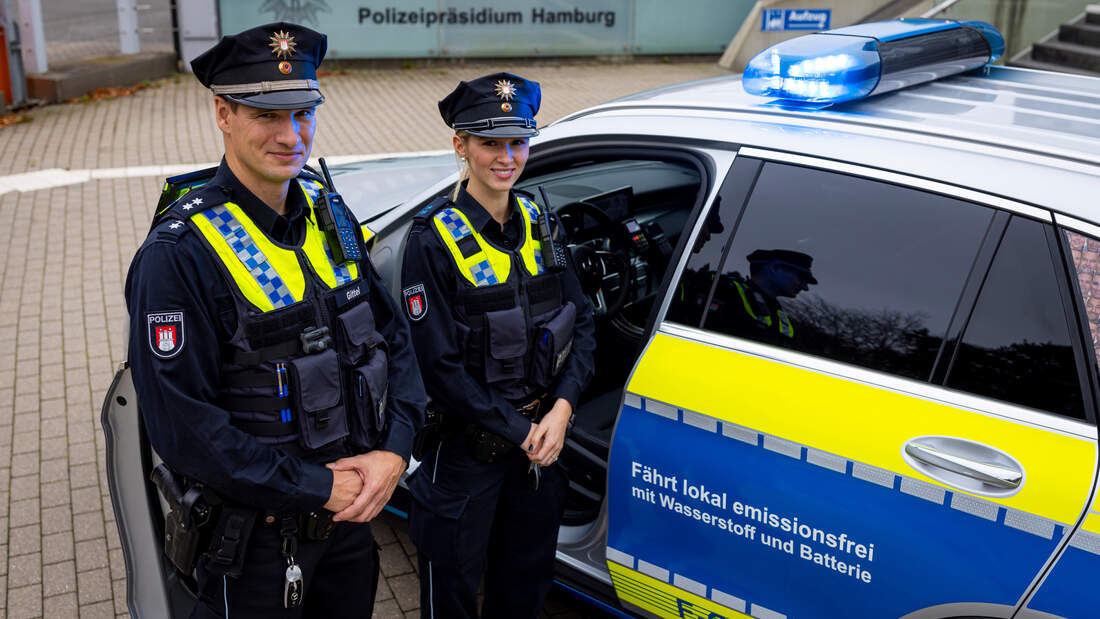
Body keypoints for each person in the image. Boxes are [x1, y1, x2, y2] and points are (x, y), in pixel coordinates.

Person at [124, 22, 426, 618]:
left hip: (349, 524)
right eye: (267, 115)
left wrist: (395, 451)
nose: (292, 136)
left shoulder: (329, 216)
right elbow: (183, 429)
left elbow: (394, 342)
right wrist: (319, 487)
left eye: (304, 112)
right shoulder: (178, 254)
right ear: (223, 114)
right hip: (256, 545)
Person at [401, 72, 596, 618]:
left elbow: (580, 324)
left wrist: (562, 408)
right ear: (460, 145)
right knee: (454, 595)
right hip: (468, 455)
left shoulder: (541, 220)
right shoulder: (430, 239)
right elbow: (437, 366)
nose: (506, 157)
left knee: (525, 586)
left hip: (541, 448)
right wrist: (521, 431)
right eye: (490, 142)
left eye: (518, 141)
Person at [716, 248, 817, 342]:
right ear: (775, 268)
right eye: (801, 278)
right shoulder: (723, 292)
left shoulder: (778, 314)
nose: (805, 287)